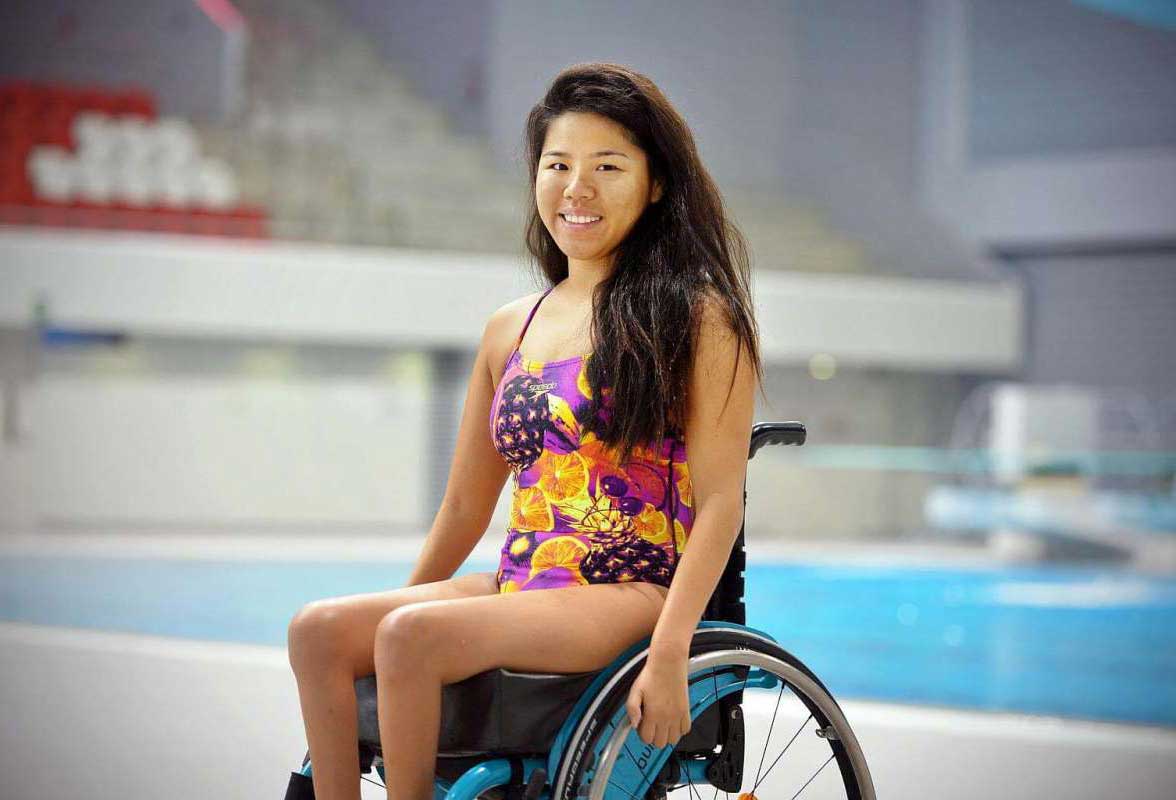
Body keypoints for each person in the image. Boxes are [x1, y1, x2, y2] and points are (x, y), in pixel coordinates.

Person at [286, 61, 765, 800]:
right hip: (525, 582)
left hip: (630, 588)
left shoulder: (699, 320)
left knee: (410, 636)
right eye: (558, 165)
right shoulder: (510, 327)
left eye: (608, 167)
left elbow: (721, 504)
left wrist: (671, 653)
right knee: (319, 629)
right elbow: (462, 507)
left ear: (656, 184)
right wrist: (400, 605)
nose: (577, 188)